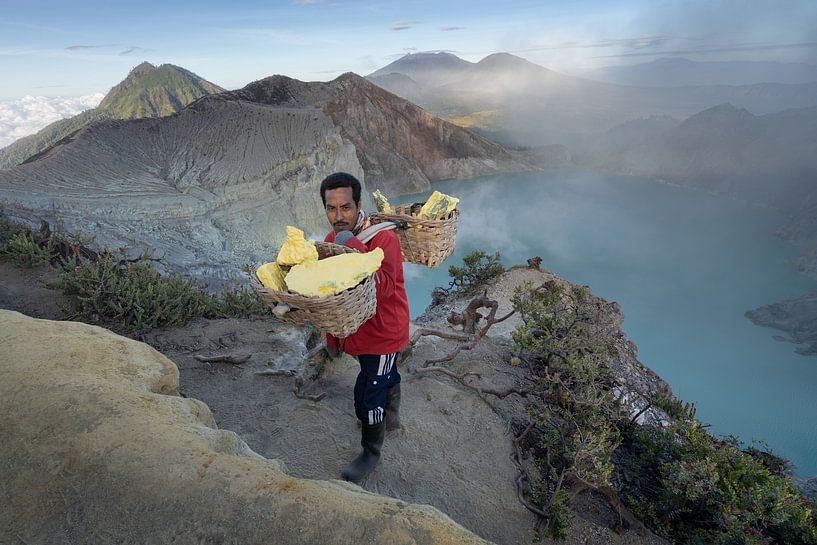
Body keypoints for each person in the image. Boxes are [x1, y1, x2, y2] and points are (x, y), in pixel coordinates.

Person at [319, 172, 409, 483]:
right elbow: (333, 292)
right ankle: (392, 414)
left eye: (345, 208)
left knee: (368, 394)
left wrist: (353, 247)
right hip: (357, 331)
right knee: (384, 375)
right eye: (331, 209)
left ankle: (371, 451)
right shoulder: (332, 241)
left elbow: (381, 288)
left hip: (383, 332)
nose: (338, 217)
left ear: (358, 205)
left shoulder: (384, 239)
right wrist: (332, 335)